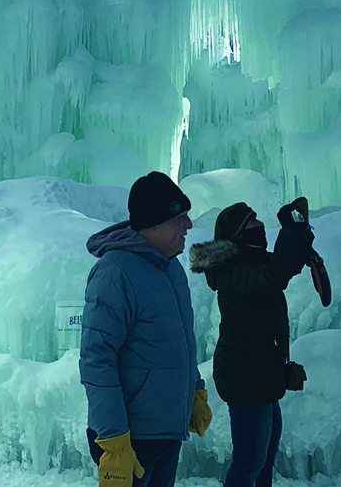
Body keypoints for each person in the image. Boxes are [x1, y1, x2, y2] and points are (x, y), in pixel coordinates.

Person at [79, 171, 213, 487]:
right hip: (130, 436)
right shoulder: (115, 272)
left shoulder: (172, 269)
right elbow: (96, 360)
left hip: (167, 429)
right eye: (180, 217)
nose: (189, 226)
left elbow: (181, 340)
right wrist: (112, 437)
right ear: (153, 223)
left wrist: (193, 389)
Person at [188, 199, 313, 487]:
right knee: (249, 463)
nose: (260, 225)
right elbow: (274, 275)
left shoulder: (251, 261)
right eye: (253, 221)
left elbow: (284, 265)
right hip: (246, 377)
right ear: (240, 234)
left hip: (261, 375)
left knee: (265, 459)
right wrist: (289, 229)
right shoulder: (236, 269)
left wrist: (301, 236)